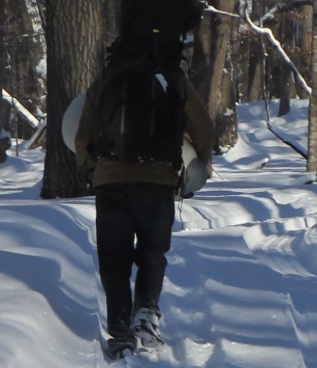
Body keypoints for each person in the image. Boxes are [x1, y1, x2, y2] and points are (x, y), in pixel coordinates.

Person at [74, 0, 213, 349]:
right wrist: (196, 162)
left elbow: (82, 134)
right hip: (158, 180)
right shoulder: (173, 76)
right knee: (152, 252)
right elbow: (205, 132)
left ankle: (119, 327)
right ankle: (145, 315)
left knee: (114, 255)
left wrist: (93, 167)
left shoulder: (109, 74)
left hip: (111, 180)